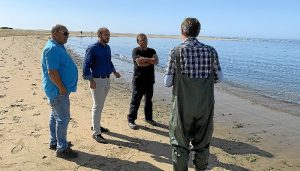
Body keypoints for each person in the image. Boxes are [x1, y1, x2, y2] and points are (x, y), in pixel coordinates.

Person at [164, 18, 223, 171]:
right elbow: (219, 78)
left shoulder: (175, 51)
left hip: (182, 106)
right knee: (202, 142)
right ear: (198, 32)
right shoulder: (211, 51)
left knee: (179, 142)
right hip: (205, 105)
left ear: (182, 31)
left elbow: (167, 82)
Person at [41, 24, 79, 158]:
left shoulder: (57, 46)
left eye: (68, 33)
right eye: (65, 33)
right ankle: (62, 149)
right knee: (63, 119)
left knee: (55, 116)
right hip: (57, 91)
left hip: (58, 90)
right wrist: (62, 88)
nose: (67, 36)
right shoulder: (52, 49)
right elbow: (52, 72)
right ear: (55, 33)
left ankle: (55, 142)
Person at [83, 27, 121, 144]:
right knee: (97, 106)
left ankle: (96, 125)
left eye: (109, 35)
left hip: (107, 80)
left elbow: (109, 61)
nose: (108, 37)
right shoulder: (92, 48)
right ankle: (96, 133)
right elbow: (85, 65)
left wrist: (114, 71)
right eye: (106, 35)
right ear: (99, 35)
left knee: (100, 105)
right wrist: (91, 80)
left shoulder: (107, 48)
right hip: (97, 80)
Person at [127, 33, 159, 130]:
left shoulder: (152, 50)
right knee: (135, 101)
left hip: (150, 80)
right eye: (141, 40)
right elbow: (139, 63)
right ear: (138, 42)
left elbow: (156, 61)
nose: (144, 41)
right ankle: (131, 120)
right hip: (138, 80)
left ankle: (148, 118)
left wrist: (145, 59)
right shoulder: (135, 50)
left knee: (148, 101)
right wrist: (150, 61)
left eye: (145, 39)